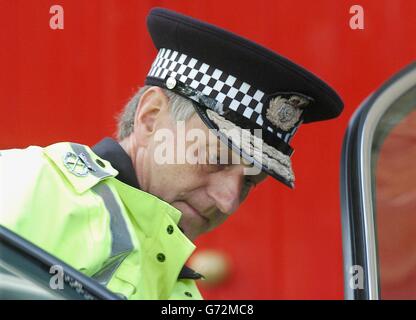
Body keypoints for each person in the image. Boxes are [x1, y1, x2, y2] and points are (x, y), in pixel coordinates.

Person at [0, 7, 343, 299]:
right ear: (150, 117)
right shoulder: (27, 187)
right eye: (216, 159)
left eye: (250, 182)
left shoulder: (182, 291)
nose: (227, 201)